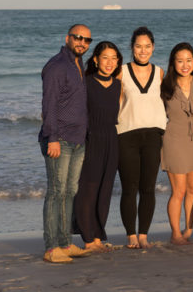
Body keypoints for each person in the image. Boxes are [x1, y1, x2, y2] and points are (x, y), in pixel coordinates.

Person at [38, 24, 92, 263]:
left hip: (78, 140)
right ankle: (51, 248)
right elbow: (48, 105)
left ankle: (66, 243)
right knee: (56, 193)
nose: (82, 42)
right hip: (59, 140)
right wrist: (53, 138)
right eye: (78, 38)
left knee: (69, 192)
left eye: (87, 40)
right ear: (68, 38)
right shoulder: (57, 66)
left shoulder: (79, 64)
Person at [116, 27, 167, 249]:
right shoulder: (121, 71)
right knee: (129, 188)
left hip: (153, 135)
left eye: (147, 46)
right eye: (138, 46)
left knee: (148, 188)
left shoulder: (160, 72)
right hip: (126, 134)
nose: (143, 50)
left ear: (153, 48)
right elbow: (116, 102)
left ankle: (144, 234)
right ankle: (130, 235)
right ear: (132, 48)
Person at [73, 41, 123, 253]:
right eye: (105, 57)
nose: (110, 62)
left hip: (112, 140)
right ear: (95, 59)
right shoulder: (86, 82)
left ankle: (98, 237)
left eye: (114, 58)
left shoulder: (118, 84)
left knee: (105, 191)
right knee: (88, 190)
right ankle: (87, 238)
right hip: (91, 139)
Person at [161, 43, 193, 245]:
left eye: (188, 60)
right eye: (180, 60)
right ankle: (175, 233)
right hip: (174, 140)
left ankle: (188, 230)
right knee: (178, 190)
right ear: (173, 63)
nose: (184, 64)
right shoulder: (165, 84)